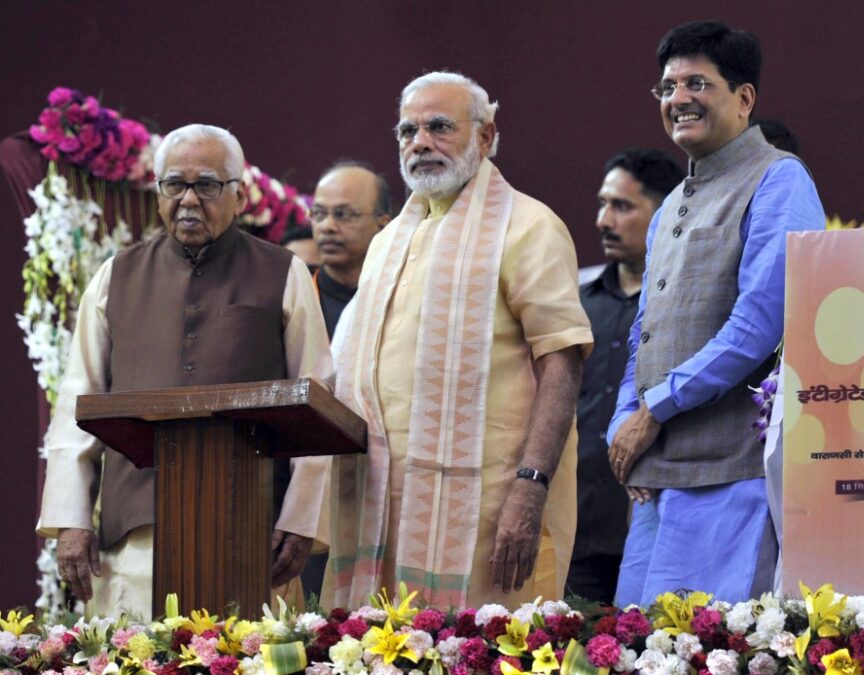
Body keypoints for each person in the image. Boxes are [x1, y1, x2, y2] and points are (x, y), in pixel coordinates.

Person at [37, 124, 334, 619]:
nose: (189, 199)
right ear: (158, 194)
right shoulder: (116, 277)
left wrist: (301, 519)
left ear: (238, 195)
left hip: (252, 531)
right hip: (135, 536)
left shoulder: (284, 273)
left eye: (208, 185)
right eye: (175, 185)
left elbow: (317, 405)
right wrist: (71, 520)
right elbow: (76, 405)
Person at [325, 71, 592, 609]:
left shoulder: (528, 226)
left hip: (489, 505)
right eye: (407, 131)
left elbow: (562, 363)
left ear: (486, 137)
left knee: (479, 652)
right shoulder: (386, 244)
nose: (420, 142)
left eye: (440, 127)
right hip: (382, 504)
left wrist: (530, 485)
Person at [607, 20, 825, 605]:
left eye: (697, 83)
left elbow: (760, 323)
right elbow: (644, 333)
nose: (678, 99)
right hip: (657, 477)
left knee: (715, 651)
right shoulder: (672, 203)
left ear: (744, 98)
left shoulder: (779, 179)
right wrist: (624, 420)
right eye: (668, 87)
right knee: (638, 648)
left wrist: (653, 409)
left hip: (735, 472)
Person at [567, 148, 682, 604]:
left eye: (622, 206)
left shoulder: (685, 310)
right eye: (602, 204)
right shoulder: (576, 304)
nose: (602, 220)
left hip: (658, 524)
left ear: (666, 211)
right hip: (576, 528)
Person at [310, 161, 393, 341]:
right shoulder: (295, 297)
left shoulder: (400, 297)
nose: (327, 226)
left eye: (343, 214)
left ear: (383, 224)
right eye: (319, 214)